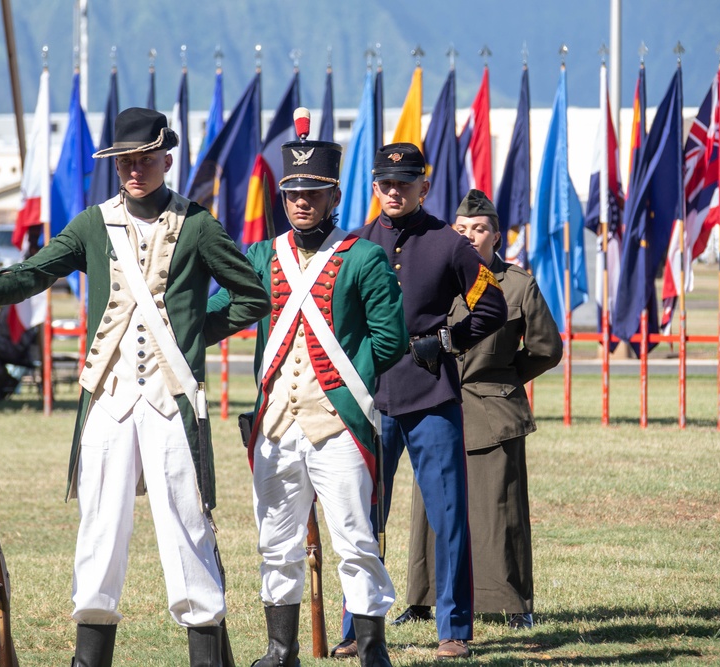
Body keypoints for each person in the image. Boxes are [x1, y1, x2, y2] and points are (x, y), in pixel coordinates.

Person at [0, 107, 270, 667]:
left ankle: (206, 653)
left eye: (144, 159)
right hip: (107, 398)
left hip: (171, 398)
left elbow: (252, 296)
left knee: (185, 528)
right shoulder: (93, 224)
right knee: (100, 531)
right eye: (124, 161)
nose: (134, 169)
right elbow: (32, 273)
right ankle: (89, 658)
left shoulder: (200, 225)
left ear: (166, 157)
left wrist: (188, 335)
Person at [208, 111, 407, 667]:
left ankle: (372, 649)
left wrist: (348, 392)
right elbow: (231, 310)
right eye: (293, 192)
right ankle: (280, 649)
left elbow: (389, 340)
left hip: (338, 420)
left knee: (355, 539)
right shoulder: (262, 256)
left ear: (333, 195)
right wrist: (181, 323)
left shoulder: (361, 256)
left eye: (313, 193)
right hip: (275, 422)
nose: (301, 202)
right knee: (276, 541)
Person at [342, 146, 508, 661]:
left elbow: (493, 306)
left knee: (449, 514)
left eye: (405, 182)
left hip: (431, 393)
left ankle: (453, 628)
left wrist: (451, 341)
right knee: (362, 514)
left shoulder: (448, 243)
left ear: (423, 188)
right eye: (386, 183)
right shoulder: (354, 244)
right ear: (374, 188)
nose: (395, 191)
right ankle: (357, 625)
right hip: (370, 397)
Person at [396, 189, 562, 630]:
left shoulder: (519, 285)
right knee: (432, 512)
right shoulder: (438, 277)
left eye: (480, 229)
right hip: (434, 403)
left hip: (494, 414)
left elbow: (547, 349)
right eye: (462, 229)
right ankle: (421, 600)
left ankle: (511, 604)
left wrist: (505, 380)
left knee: (499, 513)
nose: (470, 236)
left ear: (496, 235)